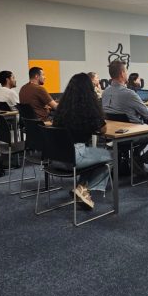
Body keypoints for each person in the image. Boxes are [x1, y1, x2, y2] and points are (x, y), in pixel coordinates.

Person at [52, 73, 111, 208]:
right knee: (110, 156)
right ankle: (83, 189)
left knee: (93, 155)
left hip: (56, 158)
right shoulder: (88, 108)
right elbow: (103, 130)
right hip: (74, 158)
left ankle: (81, 188)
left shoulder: (62, 108)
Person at [102, 60, 148, 173]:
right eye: (126, 71)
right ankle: (139, 159)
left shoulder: (105, 92)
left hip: (112, 133)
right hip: (131, 134)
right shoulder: (129, 93)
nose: (127, 73)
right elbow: (147, 113)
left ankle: (134, 158)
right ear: (122, 73)